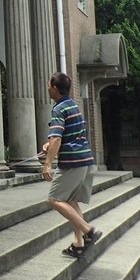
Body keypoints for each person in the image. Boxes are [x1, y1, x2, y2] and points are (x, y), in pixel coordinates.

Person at [41, 72, 101, 259]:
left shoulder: (59, 109)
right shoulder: (73, 105)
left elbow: (57, 139)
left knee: (55, 199)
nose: (48, 88)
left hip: (72, 162)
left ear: (55, 88)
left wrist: (48, 164)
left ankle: (87, 230)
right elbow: (66, 137)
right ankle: (79, 244)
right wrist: (49, 145)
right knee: (71, 201)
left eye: (49, 85)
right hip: (85, 160)